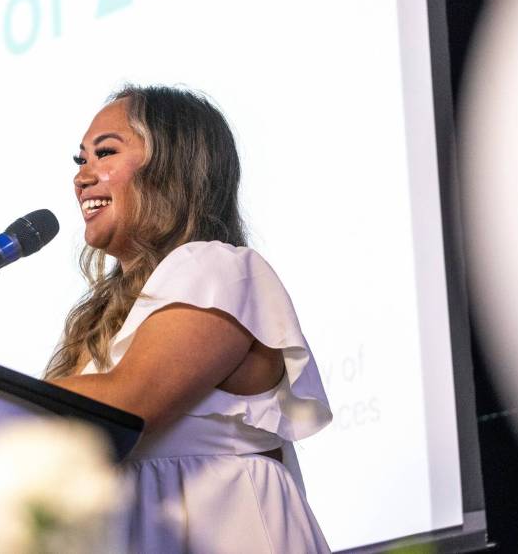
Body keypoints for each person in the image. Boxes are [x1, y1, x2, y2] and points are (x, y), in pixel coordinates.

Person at [46, 85, 333, 553]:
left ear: (171, 165)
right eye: (81, 161)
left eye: (105, 153)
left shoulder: (215, 267)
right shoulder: (101, 317)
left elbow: (125, 405)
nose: (82, 177)